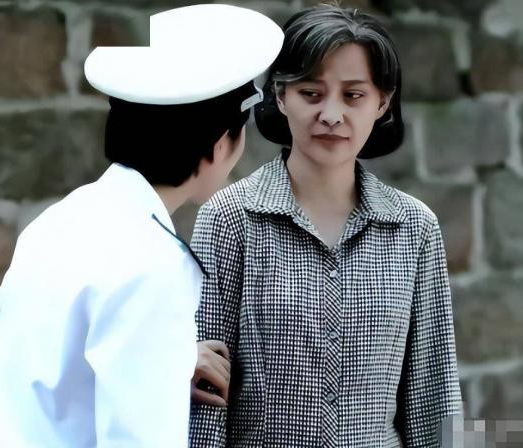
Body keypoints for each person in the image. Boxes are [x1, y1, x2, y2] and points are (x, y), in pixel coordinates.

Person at [0, 4, 282, 447]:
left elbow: (8, 340)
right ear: (220, 145)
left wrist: (165, 361)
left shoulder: (62, 216)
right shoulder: (152, 263)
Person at [188, 4, 462, 447]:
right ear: (280, 96)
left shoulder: (415, 227)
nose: (332, 114)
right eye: (311, 93)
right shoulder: (229, 218)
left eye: (353, 96)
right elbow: (204, 397)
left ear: (382, 102)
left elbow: (435, 393)